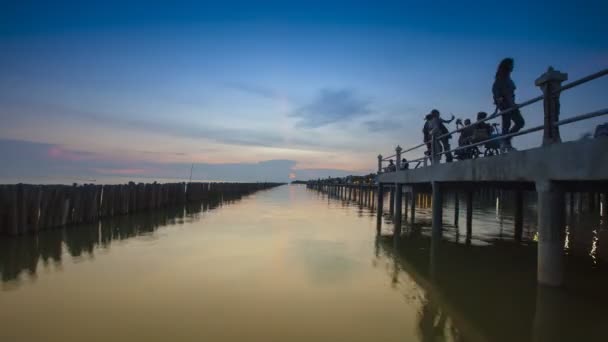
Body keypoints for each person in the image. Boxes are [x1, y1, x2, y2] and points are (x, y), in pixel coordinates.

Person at [493, 58, 525, 152]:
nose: (513, 67)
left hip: (507, 104)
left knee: (506, 125)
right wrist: (512, 104)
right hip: (507, 105)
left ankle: (505, 142)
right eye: (511, 65)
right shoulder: (502, 79)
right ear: (507, 66)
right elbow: (505, 93)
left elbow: (508, 93)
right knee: (519, 122)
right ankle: (505, 142)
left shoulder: (506, 78)